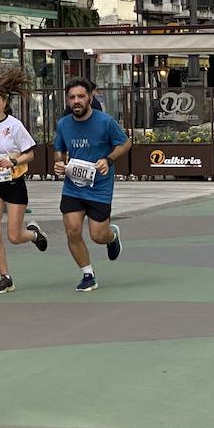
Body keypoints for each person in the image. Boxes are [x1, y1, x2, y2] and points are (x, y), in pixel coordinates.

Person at [0, 69, 48, 294]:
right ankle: (5, 277)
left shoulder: (14, 126)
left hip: (14, 184)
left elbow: (30, 154)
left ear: (4, 102)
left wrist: (13, 160)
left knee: (14, 236)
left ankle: (34, 235)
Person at [52, 78, 130, 292]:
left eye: (80, 96)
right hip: (73, 187)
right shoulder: (63, 124)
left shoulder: (105, 122)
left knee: (97, 236)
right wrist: (59, 163)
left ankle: (111, 237)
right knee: (72, 230)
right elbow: (59, 147)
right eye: (72, 97)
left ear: (90, 97)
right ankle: (88, 274)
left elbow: (125, 143)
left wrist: (108, 160)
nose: (76, 101)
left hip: (99, 188)